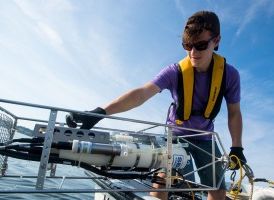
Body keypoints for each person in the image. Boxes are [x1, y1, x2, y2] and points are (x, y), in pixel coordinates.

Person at [66, 10, 247, 200]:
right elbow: (142, 94)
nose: (193, 53)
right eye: (187, 45)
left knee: (218, 189)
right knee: (165, 182)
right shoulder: (174, 71)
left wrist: (237, 147)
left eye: (201, 45)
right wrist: (99, 112)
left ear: (216, 41)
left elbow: (234, 112)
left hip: (206, 137)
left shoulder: (229, 75)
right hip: (176, 135)